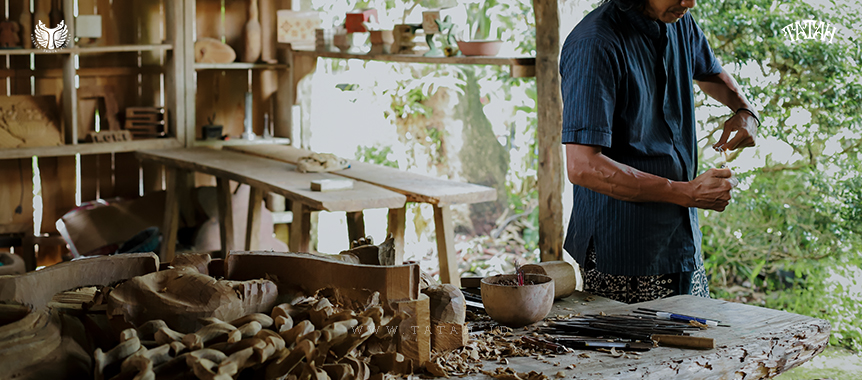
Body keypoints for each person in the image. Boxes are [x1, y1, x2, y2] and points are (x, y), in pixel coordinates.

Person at [560, 0, 760, 303]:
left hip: (682, 243)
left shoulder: (678, 19)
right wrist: (686, 193)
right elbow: (583, 166)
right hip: (624, 251)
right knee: (639, 337)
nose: (689, 2)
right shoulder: (594, 43)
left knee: (696, 331)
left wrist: (745, 110)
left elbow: (710, 72)